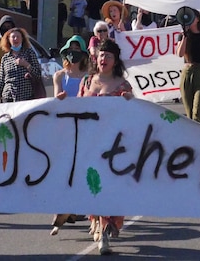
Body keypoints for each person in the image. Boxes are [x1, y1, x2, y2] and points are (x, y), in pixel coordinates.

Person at [79, 40, 134, 254]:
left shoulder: (122, 85)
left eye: (108, 56)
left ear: (116, 60)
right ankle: (100, 229)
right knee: (93, 184)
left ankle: (105, 227)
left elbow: (131, 116)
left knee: (109, 186)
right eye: (101, 55)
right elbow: (77, 108)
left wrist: (130, 101)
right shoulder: (87, 81)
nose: (104, 59)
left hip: (113, 146)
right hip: (90, 142)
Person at [49, 37, 91, 235]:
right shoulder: (59, 75)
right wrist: (59, 98)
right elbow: (57, 96)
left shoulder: (90, 75)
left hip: (85, 126)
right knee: (64, 166)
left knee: (81, 166)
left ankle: (77, 207)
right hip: (65, 126)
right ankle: (65, 207)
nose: (74, 52)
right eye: (70, 48)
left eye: (77, 49)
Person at [176, 8, 200, 125]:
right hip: (188, 73)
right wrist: (185, 36)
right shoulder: (183, 35)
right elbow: (180, 53)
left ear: (198, 19)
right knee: (190, 115)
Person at [0, 27, 42, 103]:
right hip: (8, 97)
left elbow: (38, 74)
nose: (15, 39)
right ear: (9, 40)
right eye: (13, 37)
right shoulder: (5, 58)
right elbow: (1, 81)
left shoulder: (29, 53)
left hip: (26, 97)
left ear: (22, 39)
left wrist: (26, 64)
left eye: (18, 37)